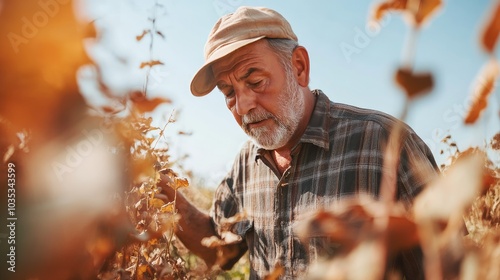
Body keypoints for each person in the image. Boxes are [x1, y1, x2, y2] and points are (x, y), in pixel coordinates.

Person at [160, 6, 438, 279]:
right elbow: (220, 249)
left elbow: (446, 265)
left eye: (255, 81)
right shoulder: (246, 162)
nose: (242, 106)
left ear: (299, 67)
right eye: (229, 92)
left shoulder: (384, 142)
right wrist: (162, 192)